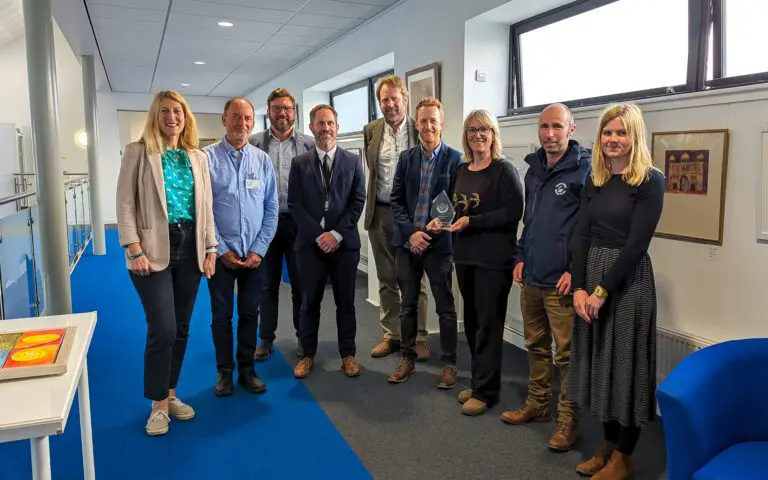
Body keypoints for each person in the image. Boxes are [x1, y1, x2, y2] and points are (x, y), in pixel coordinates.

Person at [569, 103, 664, 479]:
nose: (613, 139)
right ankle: (607, 444)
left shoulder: (650, 180)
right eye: (607, 133)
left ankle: (625, 455)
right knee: (599, 364)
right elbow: (581, 234)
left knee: (627, 366)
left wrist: (601, 290)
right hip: (591, 274)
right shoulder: (595, 179)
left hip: (627, 283)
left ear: (634, 136)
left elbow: (637, 243)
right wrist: (578, 286)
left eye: (621, 133)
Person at [116, 90, 217, 436]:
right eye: (164, 112)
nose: (172, 117)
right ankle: (158, 405)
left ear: (186, 117)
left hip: (191, 247)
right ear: (154, 116)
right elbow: (125, 204)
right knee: (164, 328)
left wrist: (211, 248)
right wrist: (133, 248)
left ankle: (171, 393)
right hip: (151, 249)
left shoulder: (197, 157)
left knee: (183, 326)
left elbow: (207, 208)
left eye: (178, 111)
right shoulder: (138, 152)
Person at [499, 103, 592, 451]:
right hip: (532, 276)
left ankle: (568, 422)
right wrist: (521, 256)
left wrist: (575, 271)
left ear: (571, 129)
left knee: (566, 355)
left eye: (557, 126)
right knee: (535, 345)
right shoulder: (533, 170)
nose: (550, 134)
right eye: (544, 127)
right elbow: (532, 221)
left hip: (563, 282)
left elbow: (588, 230)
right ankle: (537, 405)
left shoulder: (584, 171)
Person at [434, 110, 523, 416]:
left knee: (488, 325)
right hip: (465, 257)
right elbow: (455, 211)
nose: (478, 135)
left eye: (484, 129)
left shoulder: (503, 171)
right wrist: (440, 221)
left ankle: (486, 392)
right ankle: (481, 380)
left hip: (494, 260)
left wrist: (473, 221)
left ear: (493, 134)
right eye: (472, 130)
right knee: (471, 324)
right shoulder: (461, 170)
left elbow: (513, 213)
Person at [387, 96, 463, 389]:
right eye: (423, 120)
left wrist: (427, 236)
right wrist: (412, 234)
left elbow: (455, 204)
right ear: (416, 123)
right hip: (408, 244)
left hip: (439, 245)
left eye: (433, 120)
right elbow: (396, 200)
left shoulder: (455, 160)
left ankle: (449, 363)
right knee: (407, 304)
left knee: (445, 306)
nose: (428, 125)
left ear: (441, 123)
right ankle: (407, 358)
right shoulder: (407, 158)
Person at [205, 97, 279, 396]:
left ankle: (247, 370)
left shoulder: (262, 160)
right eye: (236, 117)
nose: (242, 123)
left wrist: (260, 248)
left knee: (250, 314)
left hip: (254, 255)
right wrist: (220, 249)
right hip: (220, 255)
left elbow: (271, 207)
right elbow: (204, 210)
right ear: (224, 119)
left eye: (248, 118)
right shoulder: (206, 158)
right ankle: (224, 373)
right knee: (221, 317)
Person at [288, 104, 366, 379]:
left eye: (330, 123)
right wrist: (318, 235)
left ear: (337, 126)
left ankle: (348, 355)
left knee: (346, 303)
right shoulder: (299, 163)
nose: (325, 128)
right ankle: (306, 355)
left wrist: (336, 234)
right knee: (309, 302)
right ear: (311, 128)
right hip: (310, 246)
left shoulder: (353, 161)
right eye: (320, 124)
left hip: (344, 245)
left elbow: (358, 202)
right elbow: (295, 204)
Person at [362, 75, 429, 360]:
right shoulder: (371, 130)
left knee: (416, 280)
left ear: (405, 99)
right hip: (381, 212)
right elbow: (373, 170)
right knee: (387, 278)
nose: (389, 105)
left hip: (413, 218)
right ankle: (391, 334)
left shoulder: (420, 128)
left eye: (394, 99)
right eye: (384, 100)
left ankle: (420, 336)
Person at [250, 88, 315, 360]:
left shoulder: (309, 144)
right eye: (276, 108)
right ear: (269, 112)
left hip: (298, 223)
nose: (282, 113)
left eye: (287, 108)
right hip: (266, 223)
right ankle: (266, 337)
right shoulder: (254, 143)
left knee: (301, 284)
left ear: (295, 112)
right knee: (267, 284)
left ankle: (304, 337)